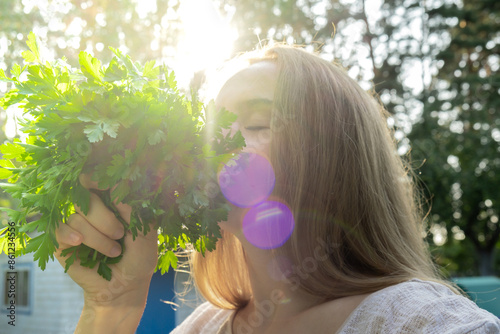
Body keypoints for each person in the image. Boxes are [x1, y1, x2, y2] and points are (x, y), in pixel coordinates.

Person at [55, 45, 500, 333]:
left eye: (254, 123)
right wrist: (109, 309)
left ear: (337, 157)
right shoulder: (202, 328)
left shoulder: (424, 324)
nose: (214, 146)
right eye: (208, 129)